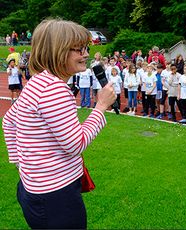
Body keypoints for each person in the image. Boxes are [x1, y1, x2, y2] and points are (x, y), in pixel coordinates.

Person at [2, 19, 116, 229]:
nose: (86, 53)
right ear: (58, 51)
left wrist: (20, 164)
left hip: (33, 190)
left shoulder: (37, 82)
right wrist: (101, 106)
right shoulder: (54, 89)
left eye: (86, 47)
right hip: (56, 198)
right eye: (79, 48)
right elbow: (75, 145)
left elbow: (8, 122)